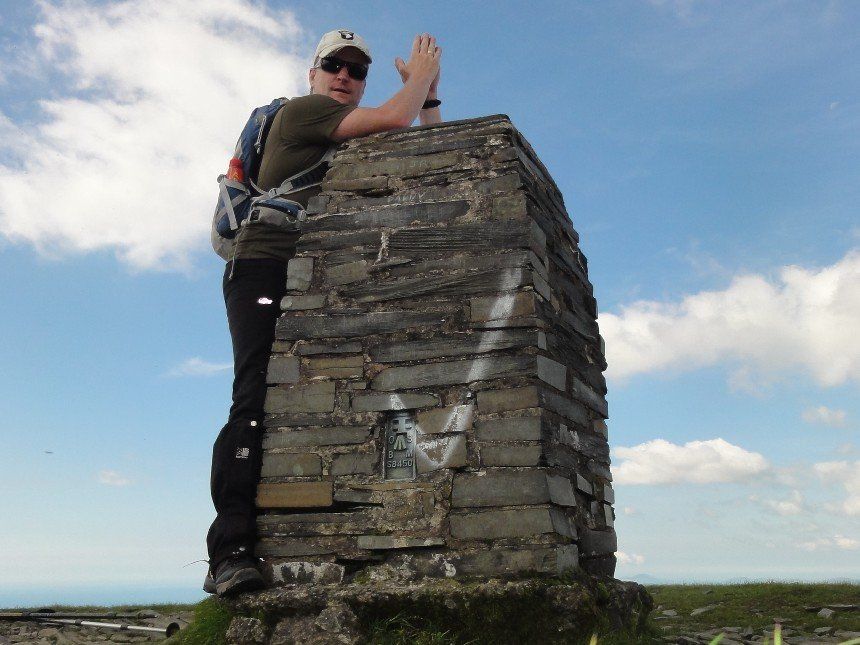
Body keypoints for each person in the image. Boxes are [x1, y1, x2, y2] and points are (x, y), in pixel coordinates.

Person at [205, 29, 442, 597]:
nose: (344, 76)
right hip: (263, 264)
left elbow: (434, 155)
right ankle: (230, 551)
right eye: (334, 64)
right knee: (253, 396)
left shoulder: (346, 133)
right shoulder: (302, 113)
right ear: (312, 73)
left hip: (314, 273)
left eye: (357, 71)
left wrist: (429, 96)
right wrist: (419, 80)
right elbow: (396, 118)